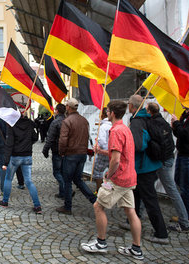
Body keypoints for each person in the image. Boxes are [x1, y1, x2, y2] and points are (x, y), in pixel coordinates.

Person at [81, 100, 143, 260]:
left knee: (98, 206)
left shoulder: (115, 131)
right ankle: (136, 248)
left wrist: (109, 175)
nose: (106, 113)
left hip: (118, 179)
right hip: (129, 177)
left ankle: (101, 242)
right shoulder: (125, 128)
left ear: (112, 113)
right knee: (131, 211)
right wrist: (102, 151)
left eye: (108, 111)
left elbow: (115, 160)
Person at [127, 95, 168, 244]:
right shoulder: (146, 117)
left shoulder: (137, 121)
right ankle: (131, 220)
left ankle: (161, 233)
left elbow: (139, 145)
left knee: (150, 200)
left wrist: (127, 144)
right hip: (147, 165)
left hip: (144, 166)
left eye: (129, 105)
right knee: (135, 194)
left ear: (131, 106)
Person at [146, 103, 189, 232]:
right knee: (147, 186)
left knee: (171, 190)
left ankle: (184, 222)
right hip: (166, 159)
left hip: (162, 160)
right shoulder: (163, 122)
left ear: (150, 112)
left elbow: (158, 143)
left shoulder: (154, 124)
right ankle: (137, 213)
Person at [56, 98, 96, 215]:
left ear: (68, 107)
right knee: (78, 180)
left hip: (71, 154)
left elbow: (63, 140)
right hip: (81, 153)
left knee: (68, 181)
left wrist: (61, 152)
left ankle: (67, 207)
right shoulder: (84, 120)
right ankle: (94, 200)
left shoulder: (67, 121)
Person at [0, 114, 41, 214]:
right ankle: (37, 205)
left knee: (8, 178)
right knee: (29, 182)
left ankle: (5, 201)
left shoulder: (11, 125)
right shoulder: (30, 124)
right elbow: (35, 137)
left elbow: (9, 144)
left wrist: (5, 162)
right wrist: (28, 144)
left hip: (15, 156)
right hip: (27, 156)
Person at [42, 103, 67, 199]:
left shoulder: (55, 122)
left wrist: (45, 150)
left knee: (57, 172)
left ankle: (65, 190)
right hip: (67, 150)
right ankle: (62, 192)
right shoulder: (67, 121)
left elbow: (50, 138)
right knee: (63, 172)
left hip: (57, 150)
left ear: (57, 111)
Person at [93, 107, 111, 194]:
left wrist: (98, 147)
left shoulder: (103, 127)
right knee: (112, 172)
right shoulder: (113, 124)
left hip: (104, 153)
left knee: (97, 171)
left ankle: (99, 190)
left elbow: (102, 142)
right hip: (113, 153)